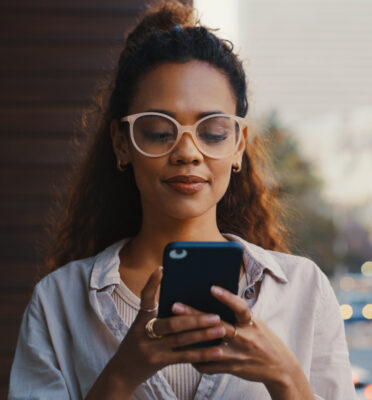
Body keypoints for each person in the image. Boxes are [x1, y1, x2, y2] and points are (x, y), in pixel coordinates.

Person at [8, 1, 354, 399]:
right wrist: (122, 374)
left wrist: (286, 377)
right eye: (158, 131)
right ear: (123, 144)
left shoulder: (304, 291)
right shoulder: (58, 302)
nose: (188, 152)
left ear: (239, 147)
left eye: (213, 132)